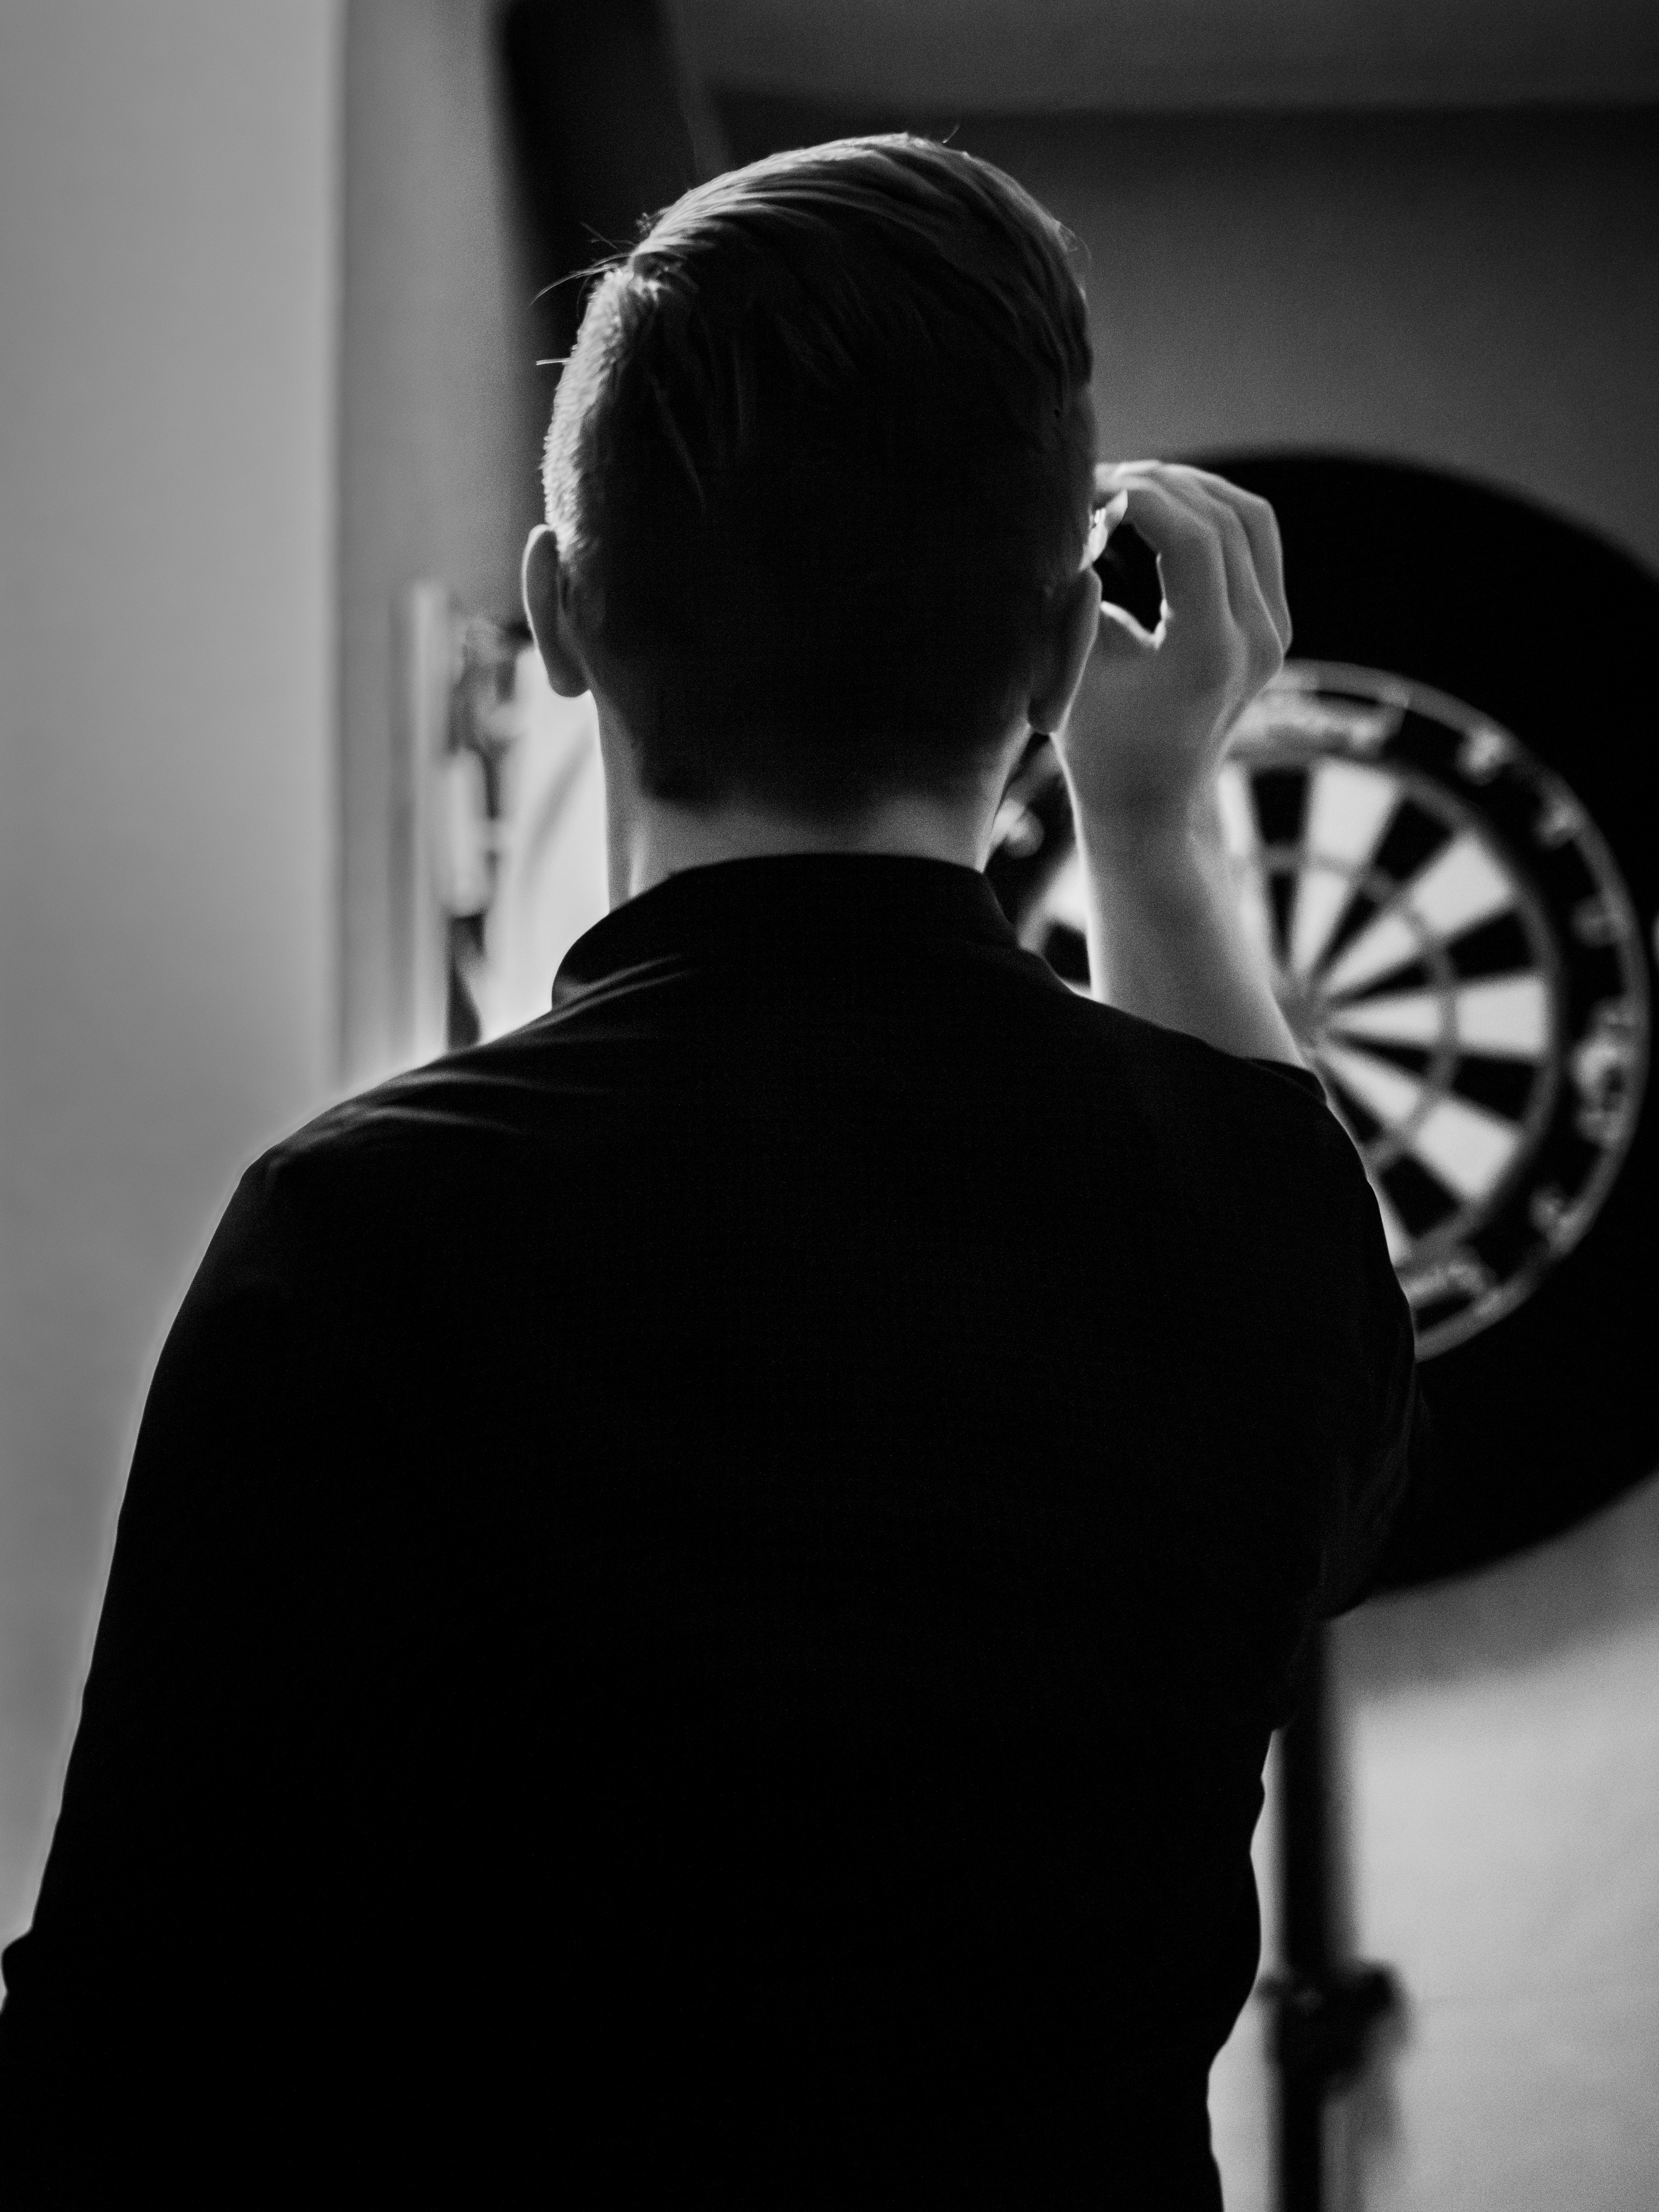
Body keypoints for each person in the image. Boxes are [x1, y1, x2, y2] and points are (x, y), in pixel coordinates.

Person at [0, 134, 1431, 2204]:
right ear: (1054, 666)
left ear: (558, 613)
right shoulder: (1237, 1222)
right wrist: (1150, 826)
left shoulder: (373, 1229)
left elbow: (138, 2046)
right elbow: (1298, 1337)